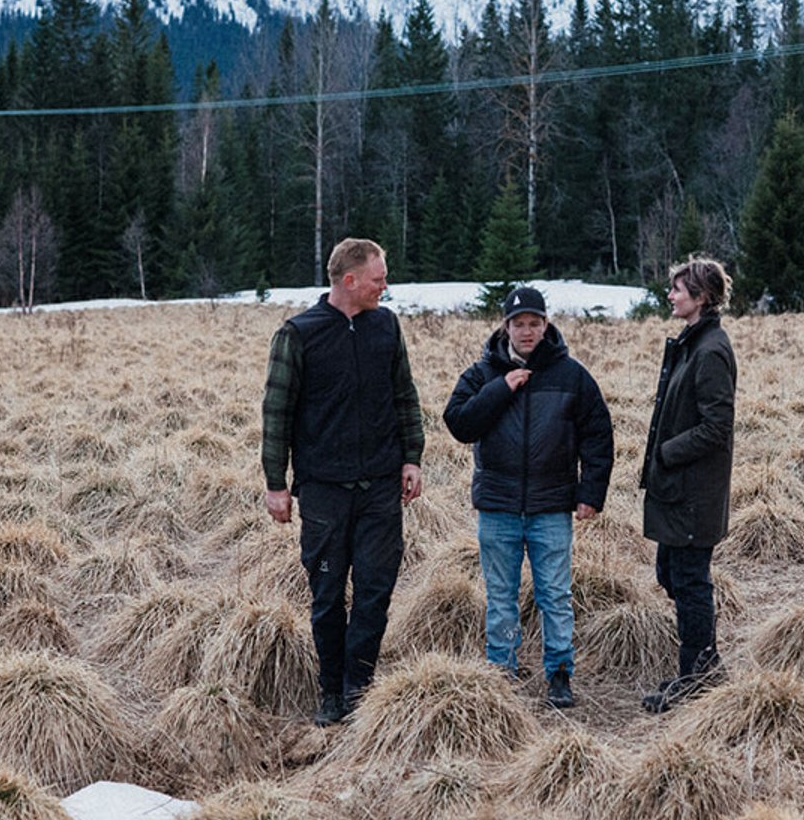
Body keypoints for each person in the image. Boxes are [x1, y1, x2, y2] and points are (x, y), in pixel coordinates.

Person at [261, 238, 424, 727]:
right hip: (324, 492)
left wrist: (411, 457)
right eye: (378, 279)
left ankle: (360, 686)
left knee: (376, 589)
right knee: (329, 594)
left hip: (379, 488)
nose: (385, 286)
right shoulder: (298, 334)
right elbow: (277, 413)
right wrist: (276, 482)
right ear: (349, 281)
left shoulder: (385, 325)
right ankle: (331, 691)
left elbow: (404, 396)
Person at [443, 286, 613, 708]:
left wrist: (590, 492)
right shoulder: (482, 374)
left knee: (554, 594)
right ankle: (501, 670)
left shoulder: (572, 375)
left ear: (546, 325)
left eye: (535, 323)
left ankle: (559, 673)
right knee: (500, 597)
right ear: (505, 327)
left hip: (551, 507)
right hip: (498, 507)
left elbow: (598, 436)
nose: (527, 331)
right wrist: (502, 388)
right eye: (519, 324)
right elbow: (459, 423)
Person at [639, 256, 737, 713]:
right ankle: (705, 662)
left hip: (695, 492)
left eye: (679, 289)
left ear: (701, 297)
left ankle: (696, 676)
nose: (671, 295)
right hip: (678, 489)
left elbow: (718, 426)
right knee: (671, 574)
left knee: (690, 580)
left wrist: (667, 451)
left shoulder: (711, 349)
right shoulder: (692, 343)